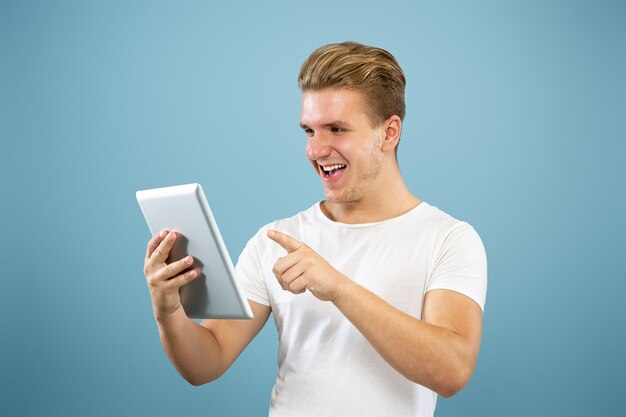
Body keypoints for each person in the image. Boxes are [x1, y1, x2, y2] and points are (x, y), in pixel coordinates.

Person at [142, 41, 487, 417]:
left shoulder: (448, 239)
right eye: (309, 130)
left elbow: (452, 370)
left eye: (336, 129)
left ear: (389, 133)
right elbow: (207, 362)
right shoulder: (275, 240)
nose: (315, 150)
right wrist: (168, 311)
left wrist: (338, 287)